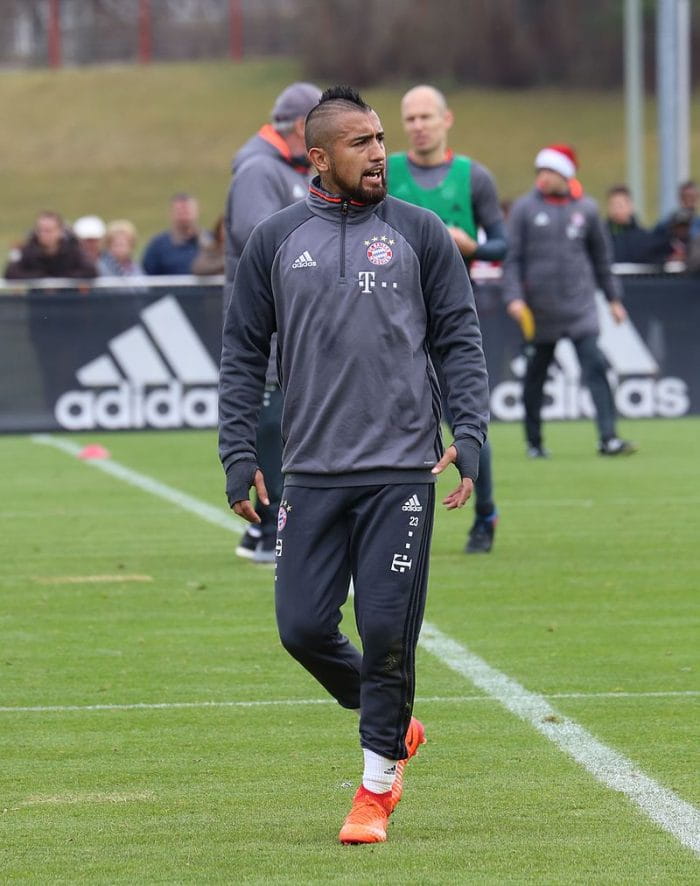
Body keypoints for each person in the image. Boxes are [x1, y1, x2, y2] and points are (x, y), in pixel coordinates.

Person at [218, 86, 489, 844]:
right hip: (310, 471)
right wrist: (239, 453)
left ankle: (374, 790)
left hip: (401, 470)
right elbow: (242, 353)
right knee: (302, 628)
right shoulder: (274, 241)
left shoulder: (421, 232)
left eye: (381, 139)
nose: (380, 153)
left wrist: (469, 430)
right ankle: (394, 721)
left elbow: (459, 338)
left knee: (386, 629)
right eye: (363, 142)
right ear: (318, 157)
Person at [388, 84, 507, 554]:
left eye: (426, 117)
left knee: (467, 420)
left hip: (455, 316)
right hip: (395, 318)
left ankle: (484, 514)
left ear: (446, 120)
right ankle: (392, 521)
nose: (418, 126)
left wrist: (473, 246)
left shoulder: (473, 177)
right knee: (396, 421)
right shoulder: (387, 171)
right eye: (410, 119)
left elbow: (503, 243)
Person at [224, 81, 322, 564]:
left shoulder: (285, 167)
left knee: (285, 418)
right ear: (303, 125)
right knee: (268, 418)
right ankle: (266, 527)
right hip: (267, 321)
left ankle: (269, 530)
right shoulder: (260, 169)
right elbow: (259, 239)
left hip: (289, 318)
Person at [503, 144, 637, 458]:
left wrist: (614, 298)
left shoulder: (587, 209)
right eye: (540, 171)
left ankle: (608, 438)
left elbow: (601, 259)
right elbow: (513, 259)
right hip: (540, 312)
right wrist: (514, 298)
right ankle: (534, 443)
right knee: (536, 376)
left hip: (581, 309)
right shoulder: (525, 209)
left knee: (595, 367)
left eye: (549, 171)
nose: (543, 177)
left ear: (565, 174)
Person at [4, 210, 96, 280]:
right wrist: (41, 277)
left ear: (60, 231)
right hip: (38, 301)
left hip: (68, 300)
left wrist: (61, 278)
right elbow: (10, 273)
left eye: (48, 231)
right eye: (41, 230)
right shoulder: (28, 251)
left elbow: (91, 271)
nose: (44, 234)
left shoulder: (73, 249)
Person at [605, 185, 668, 265]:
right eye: (613, 205)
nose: (616, 209)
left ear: (630, 206)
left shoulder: (643, 238)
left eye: (620, 205)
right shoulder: (601, 237)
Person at [142, 193, 200, 275]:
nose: (184, 216)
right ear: (171, 213)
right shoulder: (157, 246)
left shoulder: (210, 242)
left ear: (196, 212)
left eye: (187, 211)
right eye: (180, 211)